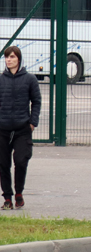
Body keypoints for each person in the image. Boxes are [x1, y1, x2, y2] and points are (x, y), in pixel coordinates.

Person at [0, 46, 41, 210]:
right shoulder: (1, 80)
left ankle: (19, 193)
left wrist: (32, 122)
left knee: (21, 161)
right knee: (3, 164)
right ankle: (8, 198)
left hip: (22, 129)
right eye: (6, 57)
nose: (8, 60)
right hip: (2, 129)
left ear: (19, 58)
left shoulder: (30, 79)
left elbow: (36, 101)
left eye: (11, 57)